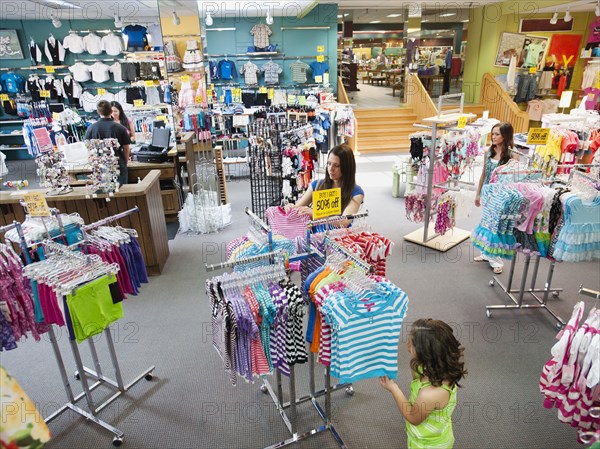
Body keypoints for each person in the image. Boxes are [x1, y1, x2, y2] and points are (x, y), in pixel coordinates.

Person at [379, 318, 467, 449]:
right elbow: (416, 380)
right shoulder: (435, 366)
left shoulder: (430, 394)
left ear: (424, 353)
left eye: (411, 342)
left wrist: (393, 388)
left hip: (428, 445)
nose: (407, 344)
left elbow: (413, 417)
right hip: (431, 430)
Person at [474, 122, 518, 274]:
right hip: (488, 193)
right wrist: (478, 193)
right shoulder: (489, 151)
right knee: (487, 223)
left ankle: (496, 259)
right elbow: (484, 174)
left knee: (497, 226)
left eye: (497, 134)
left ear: (505, 135)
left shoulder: (513, 155)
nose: (493, 137)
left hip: (501, 196)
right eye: (492, 134)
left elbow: (515, 179)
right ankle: (487, 253)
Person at [289, 143, 364, 227]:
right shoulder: (317, 185)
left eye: (337, 165)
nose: (331, 169)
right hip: (315, 238)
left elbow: (343, 222)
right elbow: (297, 208)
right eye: (329, 163)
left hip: (339, 238)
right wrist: (290, 207)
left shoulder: (356, 192)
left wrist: (316, 214)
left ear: (347, 167)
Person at [85, 100, 131, 186]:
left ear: (98, 112)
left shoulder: (91, 128)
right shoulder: (120, 128)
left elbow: (88, 148)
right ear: (111, 111)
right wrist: (124, 162)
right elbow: (126, 148)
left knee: (104, 193)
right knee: (122, 192)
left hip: (100, 165)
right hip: (118, 164)